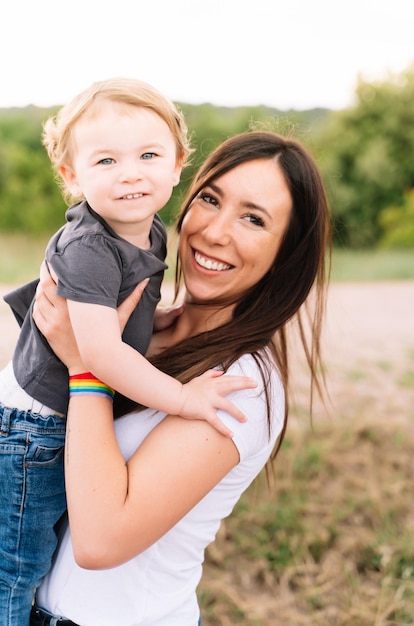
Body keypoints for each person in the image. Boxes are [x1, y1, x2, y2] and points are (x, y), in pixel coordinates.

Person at [30, 129, 331, 626]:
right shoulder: (134, 330)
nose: (214, 231)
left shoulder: (240, 383)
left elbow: (102, 540)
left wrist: (86, 368)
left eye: (253, 219)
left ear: (287, 254)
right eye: (210, 199)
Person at [0, 78, 253, 625]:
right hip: (32, 425)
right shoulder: (90, 246)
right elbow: (98, 356)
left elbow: (127, 308)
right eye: (106, 160)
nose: (131, 172)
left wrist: (157, 323)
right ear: (72, 176)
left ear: (178, 162)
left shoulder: (149, 228)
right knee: (15, 568)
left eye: (148, 155)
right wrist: (183, 399)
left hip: (53, 414)